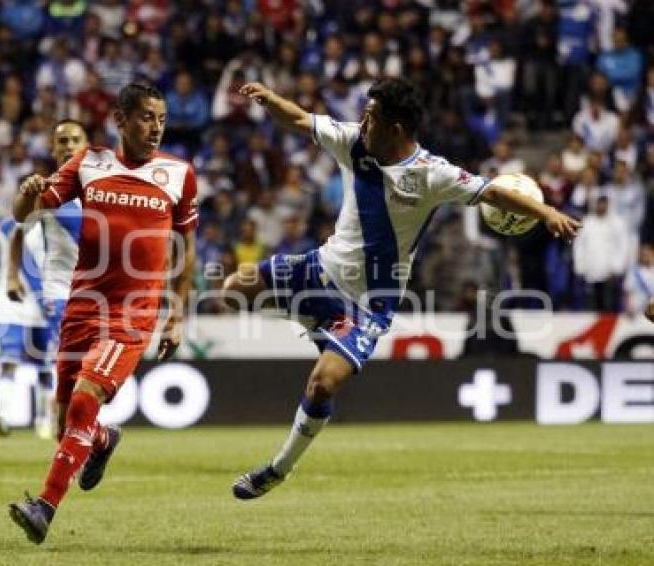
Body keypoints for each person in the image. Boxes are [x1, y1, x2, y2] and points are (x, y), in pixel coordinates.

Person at [224, 78, 580, 499]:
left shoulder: (432, 174)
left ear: (394, 128)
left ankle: (278, 469)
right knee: (233, 288)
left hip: (366, 303)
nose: (362, 122)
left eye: (371, 117)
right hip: (319, 269)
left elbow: (494, 192)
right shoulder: (352, 142)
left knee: (323, 384)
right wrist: (270, 99)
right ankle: (314, 321)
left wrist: (545, 212)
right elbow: (299, 119)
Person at [8, 84, 198, 543]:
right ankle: (103, 440)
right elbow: (23, 216)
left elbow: (186, 249)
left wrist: (176, 314)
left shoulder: (179, 174)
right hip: (81, 308)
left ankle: (44, 509)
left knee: (85, 398)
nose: (156, 128)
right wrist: (27, 191)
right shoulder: (89, 163)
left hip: (133, 314)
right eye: (147, 117)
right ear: (120, 119)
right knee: (64, 428)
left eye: (161, 119)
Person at [7, 119, 89, 439]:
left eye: (75, 139)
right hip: (61, 294)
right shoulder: (49, 188)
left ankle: (84, 433)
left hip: (101, 294)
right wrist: (13, 276)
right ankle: (65, 434)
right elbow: (18, 224)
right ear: (53, 149)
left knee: (96, 377)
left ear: (87, 145)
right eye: (62, 140)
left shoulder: (106, 187)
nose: (69, 145)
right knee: (70, 370)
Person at [0, 214, 50, 436]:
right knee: (33, 365)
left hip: (37, 307)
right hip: (16, 306)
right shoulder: (5, 228)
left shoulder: (5, 228)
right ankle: (9, 417)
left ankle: (39, 419)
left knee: (41, 366)